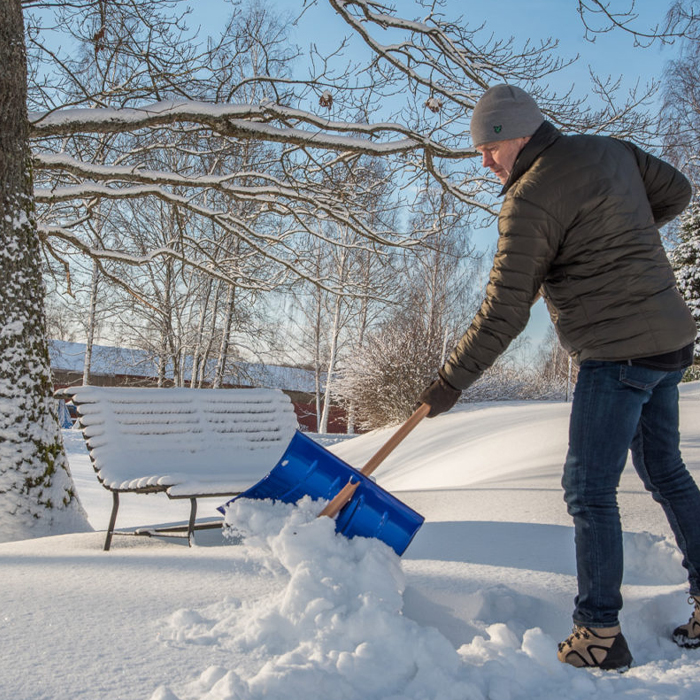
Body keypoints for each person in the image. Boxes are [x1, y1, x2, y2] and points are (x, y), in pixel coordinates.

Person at [417, 84, 700, 671]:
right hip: (669, 341)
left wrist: (451, 380)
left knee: (588, 489)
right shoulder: (609, 150)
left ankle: (597, 631)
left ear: (515, 136)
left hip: (616, 352)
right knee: (666, 471)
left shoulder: (530, 199)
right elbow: (677, 191)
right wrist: (616, 236)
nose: (485, 161)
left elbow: (504, 310)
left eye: (488, 149)